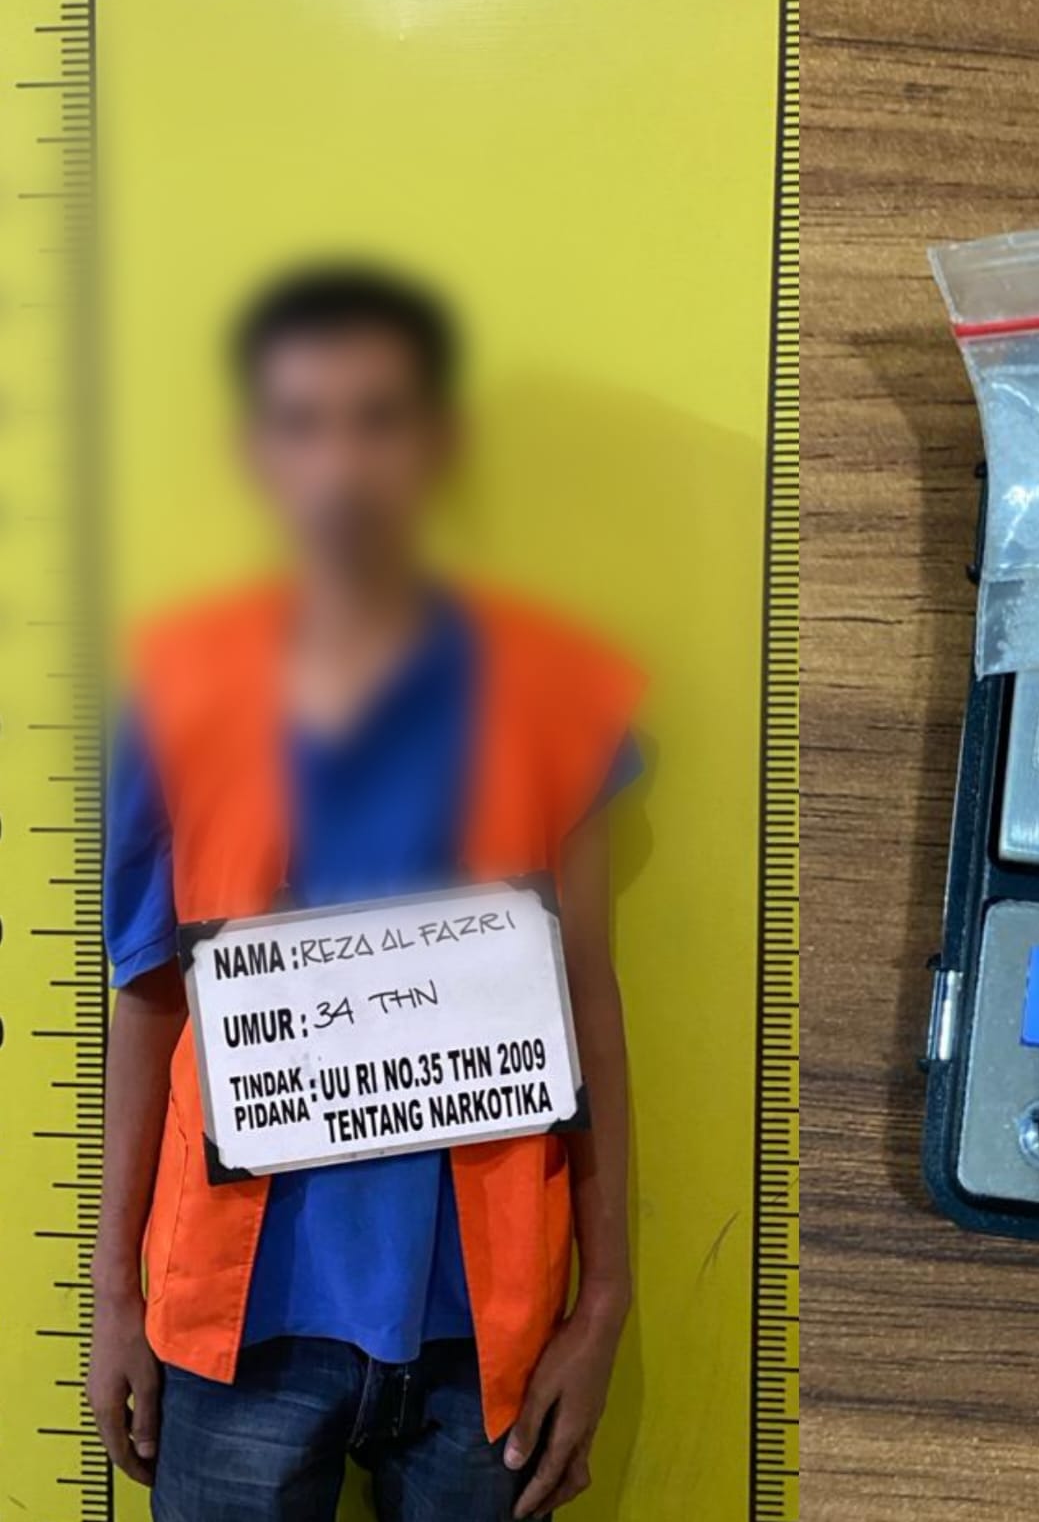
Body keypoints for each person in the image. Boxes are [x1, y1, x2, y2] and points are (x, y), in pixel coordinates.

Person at [87, 265, 642, 1521]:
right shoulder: (172, 696)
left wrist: (605, 1300)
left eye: (377, 419)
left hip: (483, 1337)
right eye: (303, 422)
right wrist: (113, 1293)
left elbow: (587, 1003)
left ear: (438, 441)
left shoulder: (553, 694)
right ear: (257, 450)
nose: (340, 466)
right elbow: (147, 996)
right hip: (232, 1330)